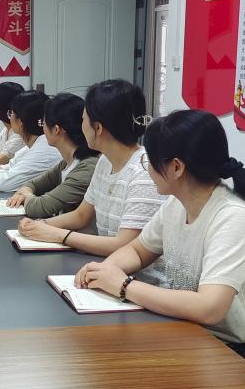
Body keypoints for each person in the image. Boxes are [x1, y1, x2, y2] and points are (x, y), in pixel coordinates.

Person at [78, 109, 245, 362]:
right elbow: (137, 250)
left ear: (176, 167)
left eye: (150, 162)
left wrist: (123, 286)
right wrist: (105, 271)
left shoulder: (233, 217)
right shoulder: (177, 204)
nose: (148, 170)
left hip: (241, 353)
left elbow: (210, 308)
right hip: (194, 334)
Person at [17, 80, 164, 277]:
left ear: (98, 128)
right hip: (109, 270)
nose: (81, 127)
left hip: (142, 279)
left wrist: (60, 235)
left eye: (83, 120)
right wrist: (41, 225)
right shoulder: (104, 162)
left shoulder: (143, 173)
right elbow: (81, 215)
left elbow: (125, 244)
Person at [5, 92, 98, 218]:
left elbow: (39, 207)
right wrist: (27, 191)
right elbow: (32, 184)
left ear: (56, 129)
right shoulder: (67, 162)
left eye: (43, 123)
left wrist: (26, 194)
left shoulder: (86, 167)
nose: (42, 129)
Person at [0, 90, 61, 192]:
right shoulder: (36, 142)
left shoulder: (45, 147)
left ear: (20, 121)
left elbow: (5, 184)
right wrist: (1, 169)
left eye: (11, 113)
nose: (9, 117)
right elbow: (13, 164)